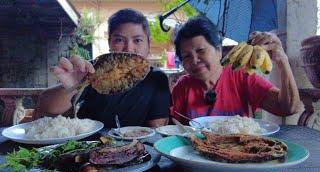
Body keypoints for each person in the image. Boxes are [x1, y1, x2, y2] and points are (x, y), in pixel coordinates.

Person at [34, 8, 171, 128]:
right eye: (119, 40)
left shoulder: (157, 79)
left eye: (137, 40)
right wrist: (72, 87)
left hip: (137, 151)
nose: (129, 49)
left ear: (149, 44)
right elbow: (46, 108)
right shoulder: (92, 69)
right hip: (89, 147)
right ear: (109, 43)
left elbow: (157, 127)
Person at [171, 16, 300, 124]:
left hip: (241, 152)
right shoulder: (182, 87)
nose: (194, 60)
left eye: (201, 51)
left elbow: (289, 108)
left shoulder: (242, 76)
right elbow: (178, 131)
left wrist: (282, 60)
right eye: (186, 56)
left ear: (219, 51)